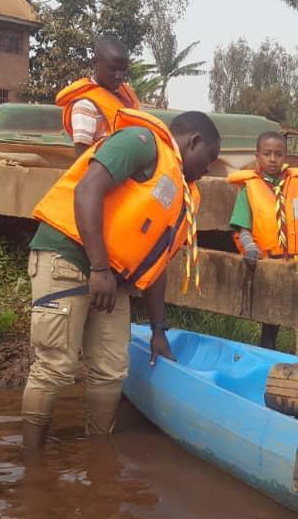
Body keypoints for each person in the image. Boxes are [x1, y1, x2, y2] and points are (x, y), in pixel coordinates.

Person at [22, 107, 221, 450]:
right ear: (194, 141)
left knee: (111, 370)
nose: (208, 169)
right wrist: (99, 268)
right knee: (56, 365)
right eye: (209, 158)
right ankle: (31, 460)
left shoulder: (185, 195)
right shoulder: (141, 142)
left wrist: (158, 331)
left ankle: (98, 456)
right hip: (67, 258)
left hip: (113, 281)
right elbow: (87, 190)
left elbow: (157, 264)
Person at [228, 132, 298, 348]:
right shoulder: (249, 189)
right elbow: (243, 227)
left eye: (278, 154)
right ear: (257, 156)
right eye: (267, 153)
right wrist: (250, 248)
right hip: (268, 263)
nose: (273, 159)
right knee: (270, 318)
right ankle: (268, 351)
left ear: (285, 157)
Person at [55, 34, 141, 157]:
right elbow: (82, 157)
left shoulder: (126, 97)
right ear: (95, 63)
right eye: (113, 69)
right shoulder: (85, 105)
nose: (119, 76)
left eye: (123, 70)